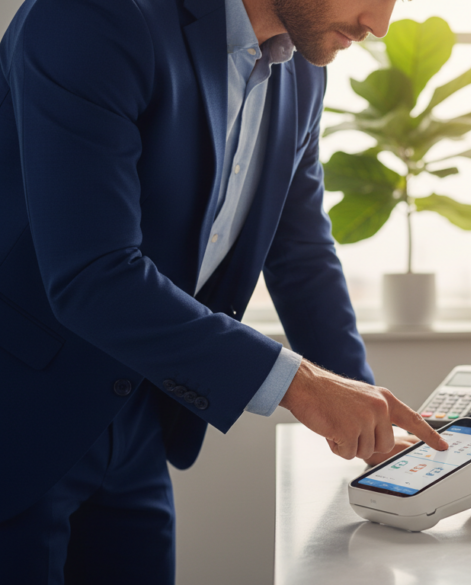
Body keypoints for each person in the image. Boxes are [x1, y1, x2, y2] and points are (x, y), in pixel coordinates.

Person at [0, 0, 447, 582]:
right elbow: (93, 273)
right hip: (18, 412)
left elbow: (301, 255)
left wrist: (369, 424)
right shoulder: (94, 15)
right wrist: (302, 386)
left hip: (135, 409)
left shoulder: (301, 70)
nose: (378, 25)